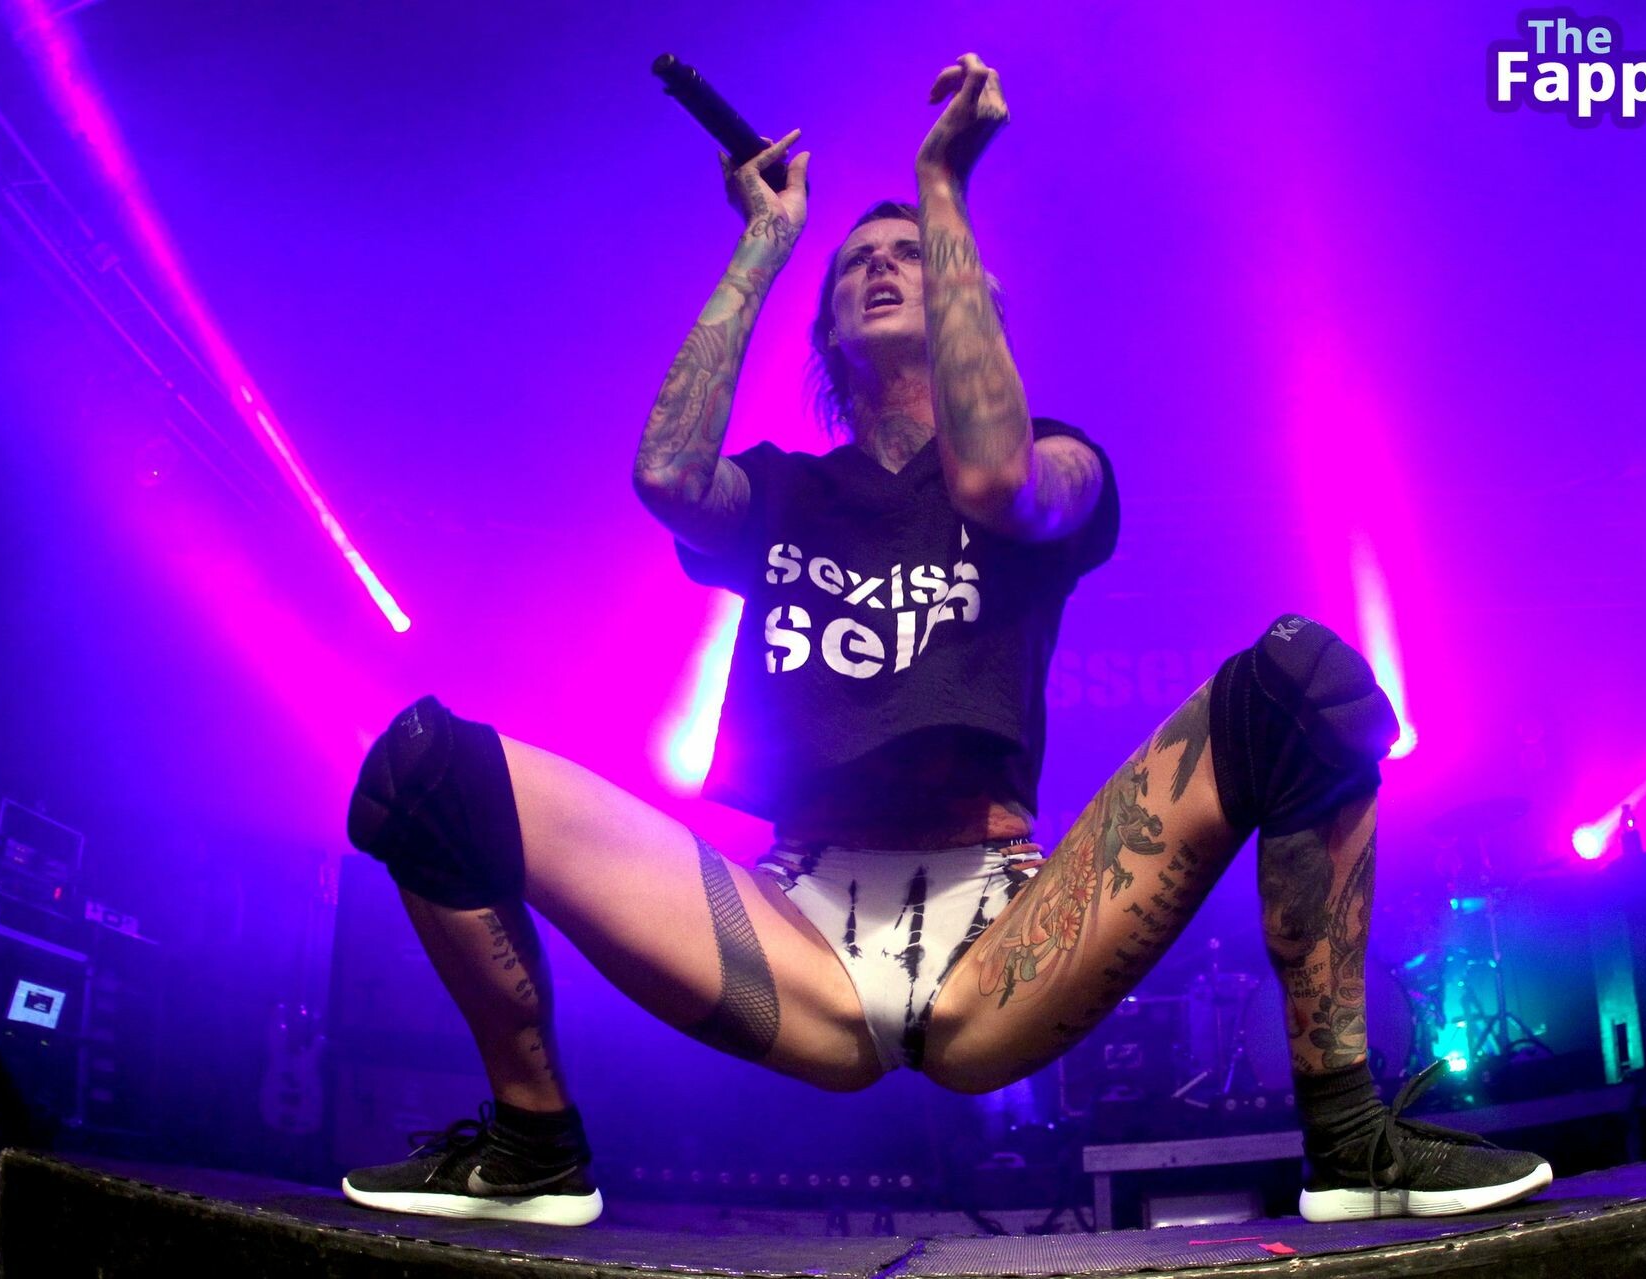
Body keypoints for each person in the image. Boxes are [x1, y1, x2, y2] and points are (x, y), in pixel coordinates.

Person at [338, 54, 1551, 1228]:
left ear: (970, 296)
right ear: (828, 328)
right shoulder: (786, 492)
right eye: (856, 261)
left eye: (908, 255)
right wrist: (767, 241)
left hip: (1003, 926)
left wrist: (945, 186)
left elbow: (992, 479)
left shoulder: (1060, 463)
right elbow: (666, 475)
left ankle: (1351, 1140)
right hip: (793, 924)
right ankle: (535, 1148)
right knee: (425, 770)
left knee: (1303, 683)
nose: (878, 264)